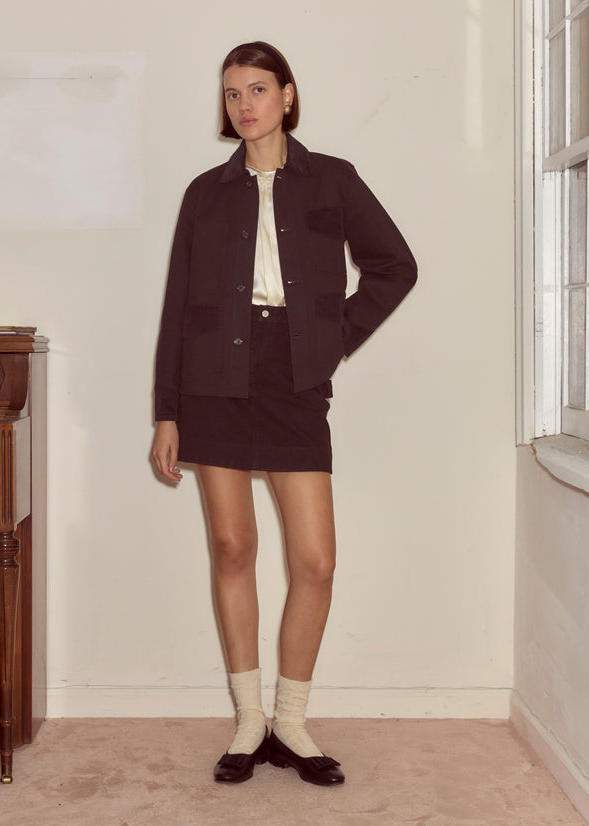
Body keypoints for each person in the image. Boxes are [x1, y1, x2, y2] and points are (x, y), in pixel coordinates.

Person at [151, 41, 417, 786]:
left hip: (292, 380)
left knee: (316, 561)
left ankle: (291, 721)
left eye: (258, 89)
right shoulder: (205, 193)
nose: (245, 104)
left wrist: (333, 337)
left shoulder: (332, 179)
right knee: (232, 548)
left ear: (288, 96)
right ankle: (248, 722)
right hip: (213, 381)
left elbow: (395, 265)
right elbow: (178, 306)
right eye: (232, 92)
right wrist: (167, 411)